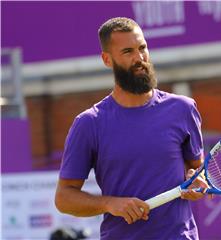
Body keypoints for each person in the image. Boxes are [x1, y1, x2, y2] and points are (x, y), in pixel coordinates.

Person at [55, 17, 208, 240]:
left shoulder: (183, 109)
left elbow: (198, 168)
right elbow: (64, 198)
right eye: (127, 51)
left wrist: (197, 180)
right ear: (107, 59)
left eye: (142, 48)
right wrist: (110, 203)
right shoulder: (89, 123)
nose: (139, 58)